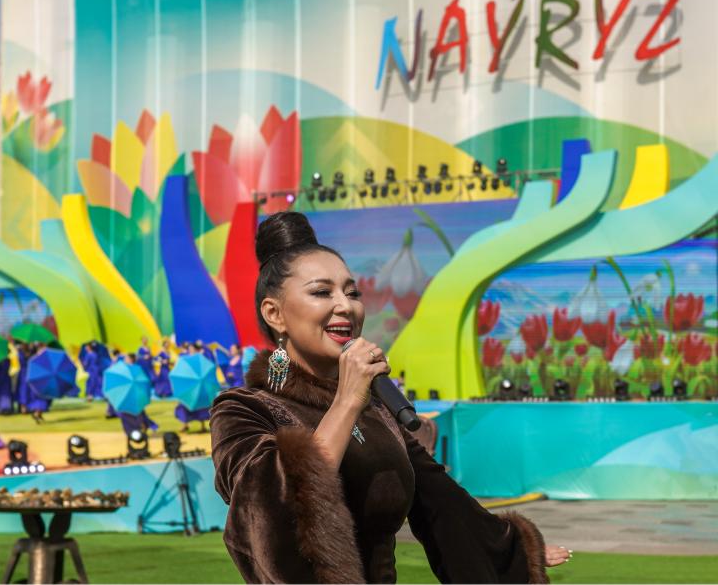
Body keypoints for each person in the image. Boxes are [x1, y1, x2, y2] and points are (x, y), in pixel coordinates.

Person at [210, 212, 571, 583]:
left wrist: (512, 551)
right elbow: (271, 516)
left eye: (352, 292)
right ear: (274, 314)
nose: (345, 306)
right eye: (322, 292)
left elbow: (442, 502)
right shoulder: (243, 411)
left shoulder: (377, 409)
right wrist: (347, 401)